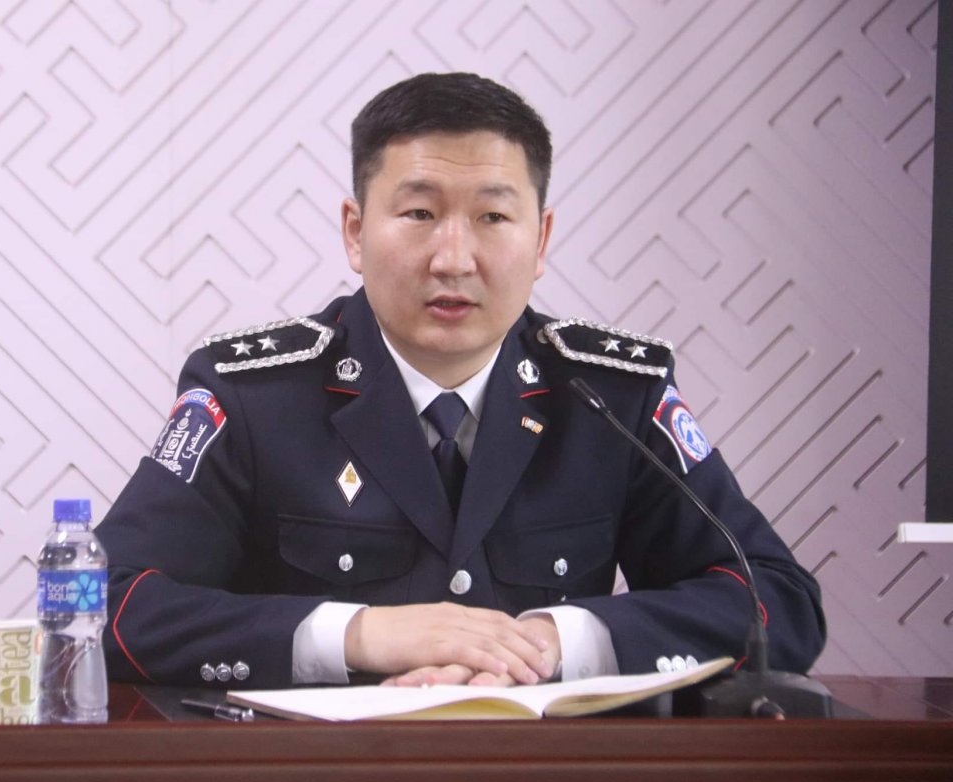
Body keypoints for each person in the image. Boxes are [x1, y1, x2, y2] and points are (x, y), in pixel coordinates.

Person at [96, 72, 825, 690]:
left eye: (492, 216)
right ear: (355, 231)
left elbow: (779, 598)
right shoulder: (254, 395)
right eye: (419, 213)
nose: (453, 258)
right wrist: (357, 634)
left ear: (541, 239)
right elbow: (104, 605)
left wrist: (557, 641)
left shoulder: (612, 394)